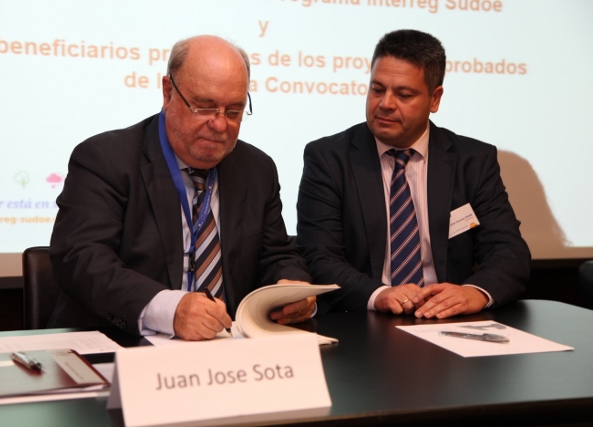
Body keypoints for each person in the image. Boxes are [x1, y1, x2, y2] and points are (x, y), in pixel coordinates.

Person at [49, 35, 314, 340]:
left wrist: (291, 286)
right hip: (121, 342)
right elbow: (81, 258)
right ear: (168, 92)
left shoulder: (257, 169)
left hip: (227, 348)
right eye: (204, 107)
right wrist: (170, 309)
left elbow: (277, 255)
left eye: (233, 111)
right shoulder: (106, 159)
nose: (220, 124)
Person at [297, 29, 530, 319]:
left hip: (448, 320)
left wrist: (474, 292)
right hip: (361, 320)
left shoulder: (473, 161)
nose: (385, 103)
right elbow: (319, 256)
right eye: (377, 89)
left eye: (404, 94)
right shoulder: (329, 158)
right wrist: (379, 294)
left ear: (435, 99)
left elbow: (508, 252)